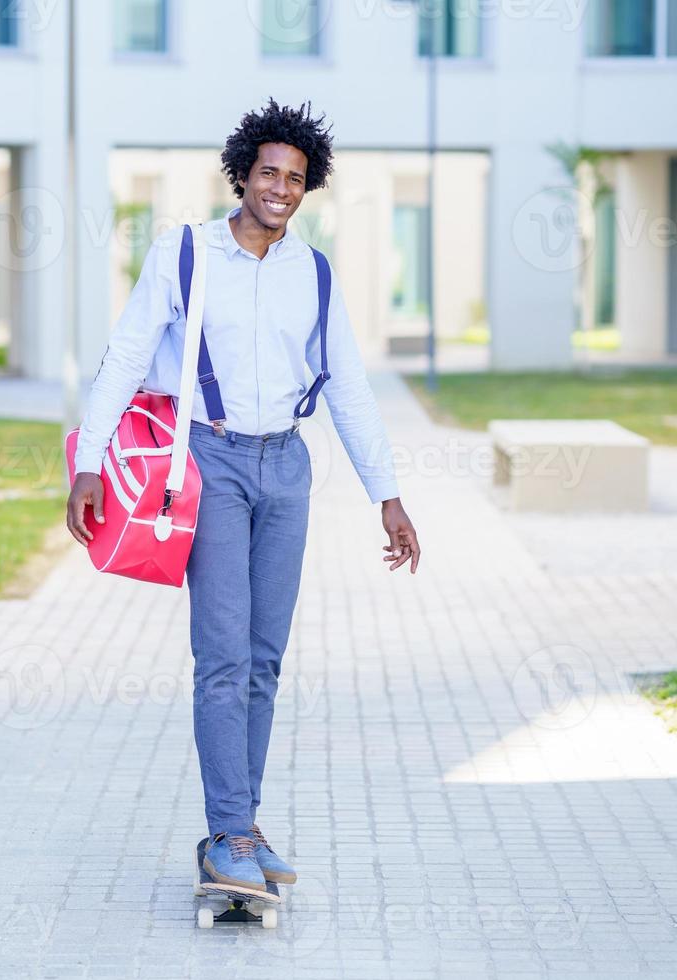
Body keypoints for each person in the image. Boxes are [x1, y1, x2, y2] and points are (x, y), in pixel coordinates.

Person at [65, 98, 421, 898]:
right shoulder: (184, 252)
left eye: (297, 178)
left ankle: (241, 826)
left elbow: (351, 389)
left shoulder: (315, 274)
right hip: (209, 465)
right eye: (269, 172)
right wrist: (88, 460)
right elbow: (125, 356)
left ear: (309, 186)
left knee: (264, 658)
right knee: (223, 656)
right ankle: (229, 831)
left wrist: (386, 496)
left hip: (287, 469)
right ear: (242, 173)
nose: (281, 189)